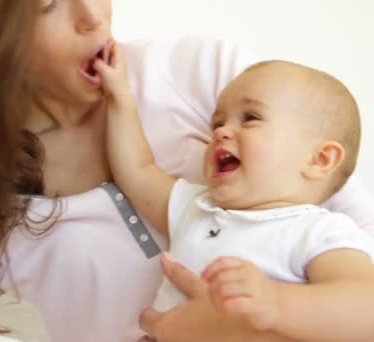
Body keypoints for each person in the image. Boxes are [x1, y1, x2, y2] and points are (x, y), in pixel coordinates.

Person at [0, 0, 374, 341]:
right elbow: (141, 174)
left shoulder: (214, 80)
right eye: (50, 5)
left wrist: (257, 321)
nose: (94, 16)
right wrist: (122, 103)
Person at [96, 47, 374, 340]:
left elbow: (365, 308)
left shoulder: (319, 231)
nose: (220, 132)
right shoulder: (196, 208)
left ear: (320, 160)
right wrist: (120, 98)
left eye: (251, 117)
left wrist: (276, 304)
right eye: (217, 123)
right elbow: (137, 170)